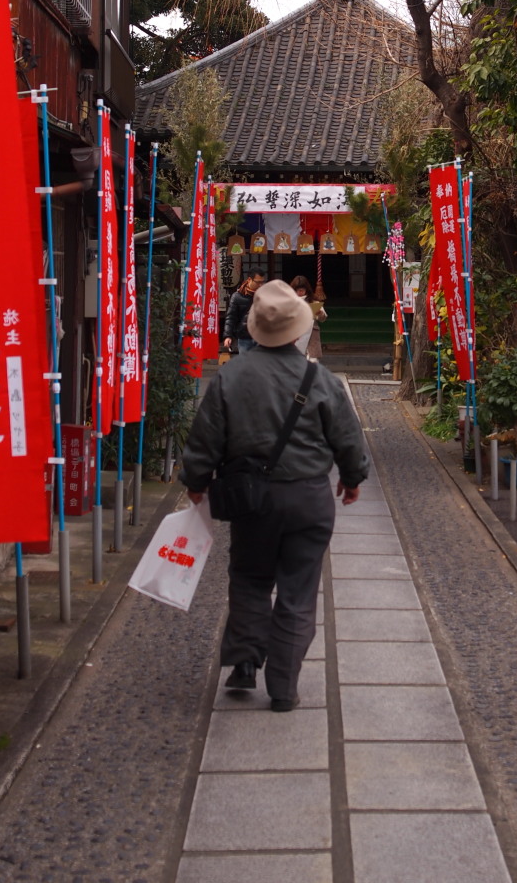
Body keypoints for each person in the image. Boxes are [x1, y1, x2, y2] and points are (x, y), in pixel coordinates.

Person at [181, 280, 367, 711]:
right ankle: (283, 687)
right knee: (298, 591)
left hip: (253, 499)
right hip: (308, 498)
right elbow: (348, 438)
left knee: (249, 578)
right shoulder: (320, 379)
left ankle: (245, 664)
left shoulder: (231, 376)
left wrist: (196, 480)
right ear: (298, 328)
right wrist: (352, 477)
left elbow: (204, 438)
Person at [222, 269, 267, 354]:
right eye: (258, 282)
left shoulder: (265, 295)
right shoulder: (237, 296)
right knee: (245, 364)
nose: (260, 285)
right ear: (249, 279)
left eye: (262, 282)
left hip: (262, 337)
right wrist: (228, 336)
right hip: (244, 337)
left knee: (261, 365)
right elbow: (231, 317)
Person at [289, 275, 327, 357]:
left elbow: (323, 318)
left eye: (302, 290)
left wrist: (320, 313)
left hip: (311, 334)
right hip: (294, 335)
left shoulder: (313, 301)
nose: (300, 292)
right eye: (298, 290)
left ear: (307, 289)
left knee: (312, 361)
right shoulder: (288, 301)